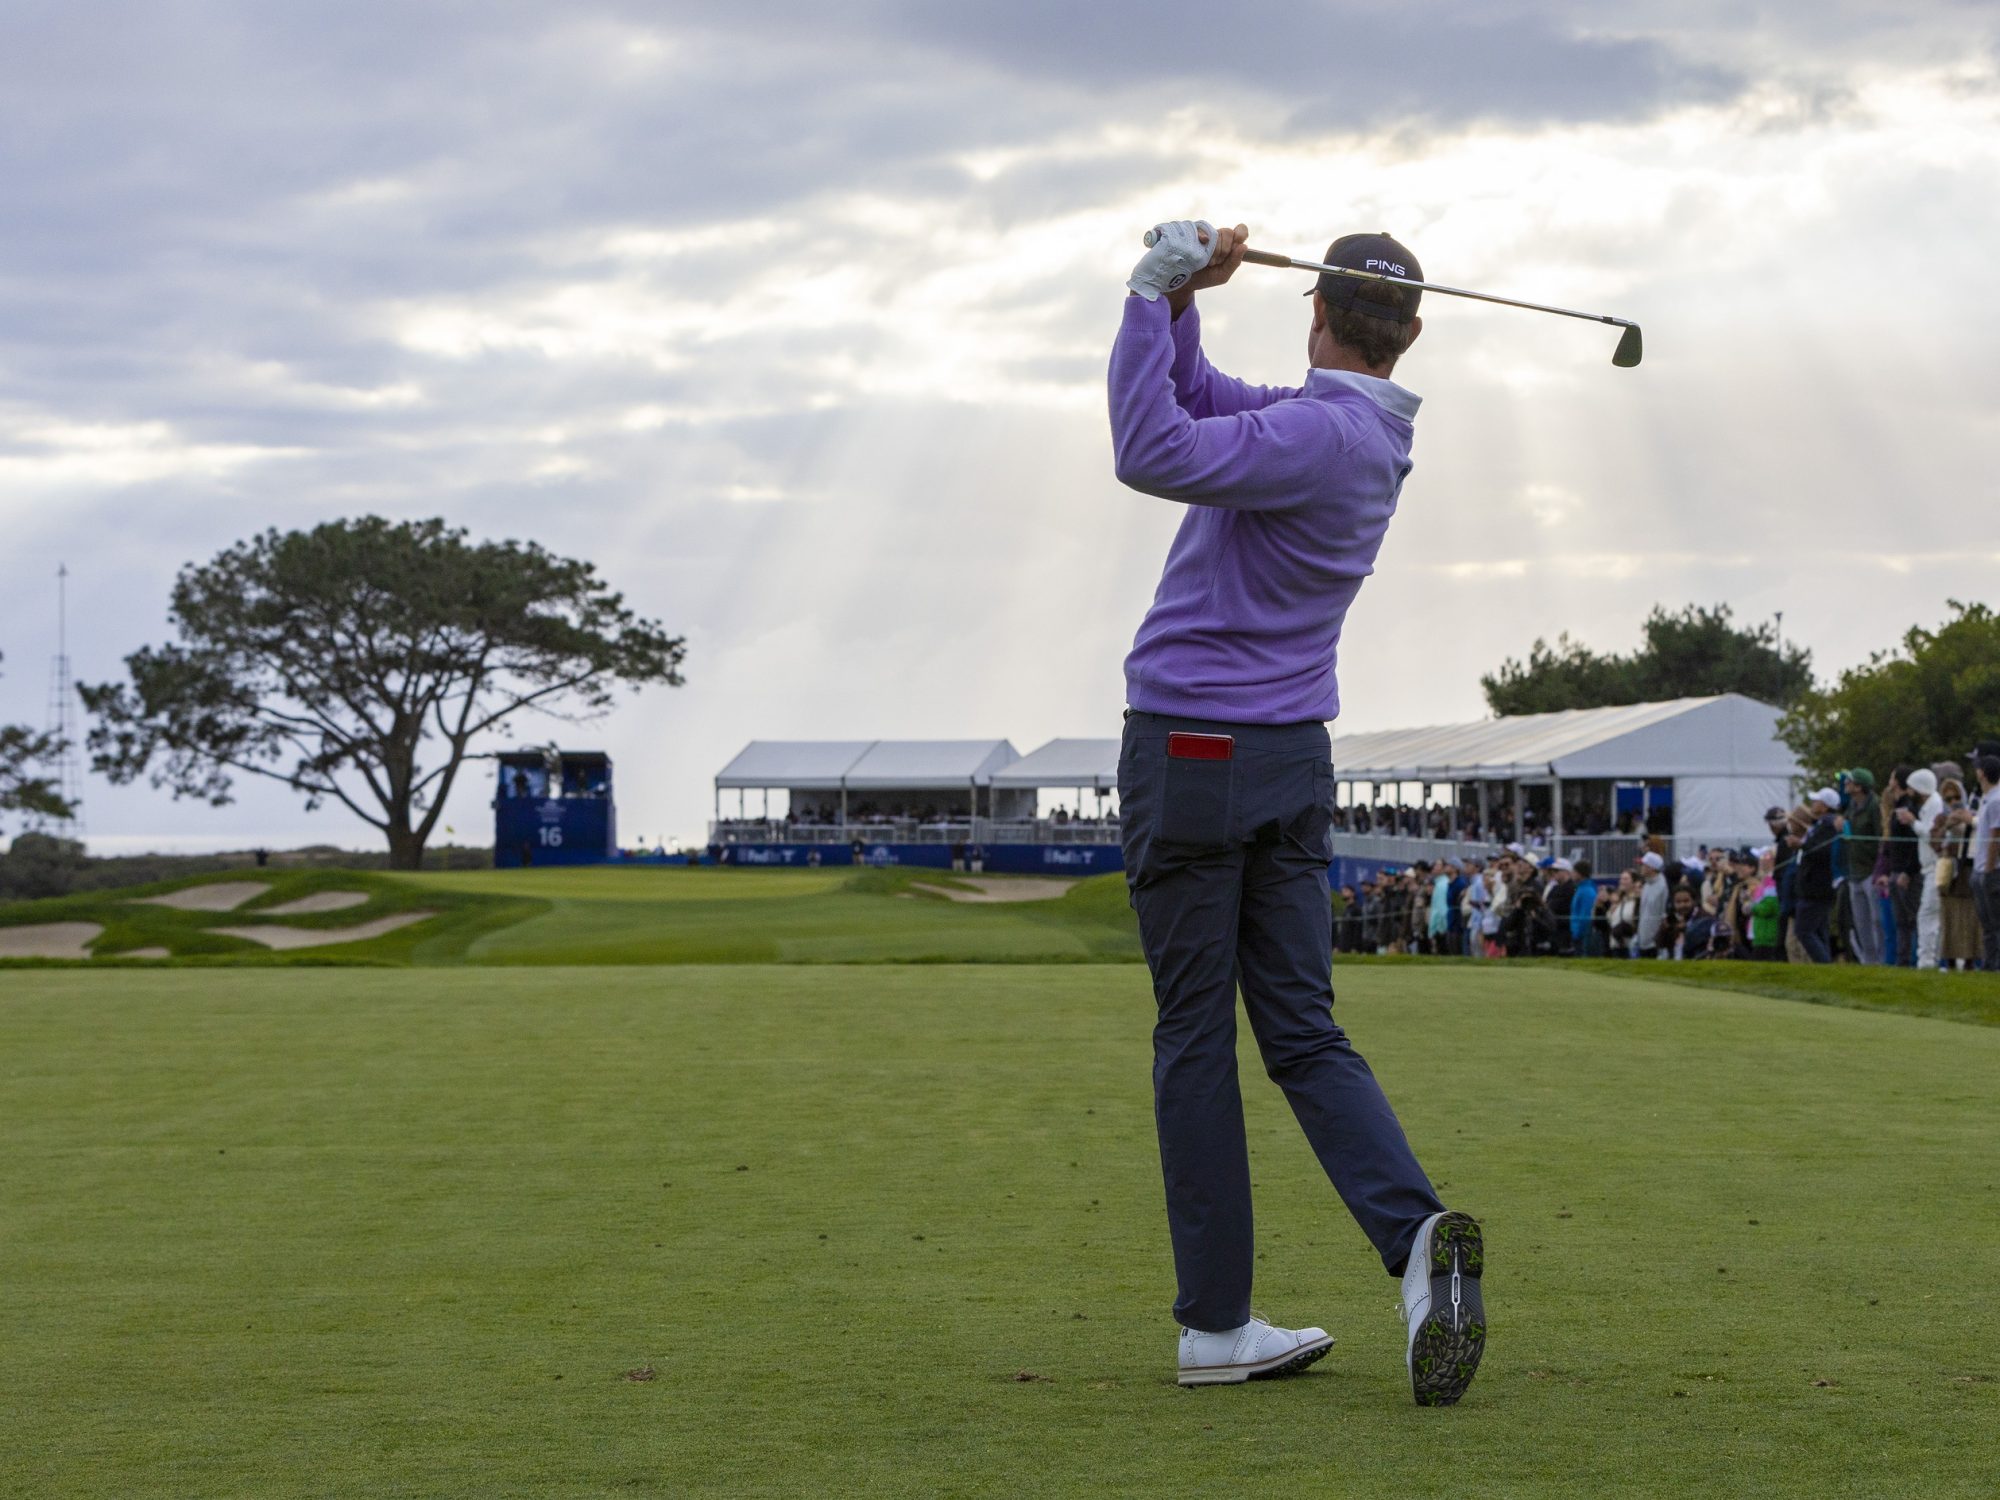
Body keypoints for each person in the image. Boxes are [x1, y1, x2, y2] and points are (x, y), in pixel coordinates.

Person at [1111, 220, 1481, 1401]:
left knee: (1191, 1037)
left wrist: (1140, 289)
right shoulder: (1359, 430)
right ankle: (1417, 1244)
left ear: (1312, 308)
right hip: (1288, 760)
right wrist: (1182, 307)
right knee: (1304, 1030)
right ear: (1408, 332)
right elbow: (1208, 395)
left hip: (1192, 750)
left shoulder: (1310, 434)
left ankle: (1214, 1326)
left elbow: (1147, 441)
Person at [1933, 779, 1981, 970]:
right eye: (1948, 798)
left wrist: (1965, 823)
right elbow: (1933, 842)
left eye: (1956, 797)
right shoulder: (1941, 818)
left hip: (1967, 870)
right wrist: (1947, 827)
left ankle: (1970, 960)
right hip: (1948, 873)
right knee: (1949, 917)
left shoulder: (1973, 815)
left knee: (1971, 917)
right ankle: (1950, 959)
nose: (1953, 801)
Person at [1795, 787, 1843, 963]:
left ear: (1824, 806)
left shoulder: (1827, 824)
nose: (1812, 804)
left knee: (1804, 931)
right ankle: (1825, 967)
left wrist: (1800, 845)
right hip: (1817, 886)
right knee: (1819, 930)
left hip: (1817, 886)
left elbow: (1821, 852)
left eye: (1816, 801)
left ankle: (1824, 964)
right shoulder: (1822, 824)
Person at [1840, 770, 1883, 964]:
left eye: (1849, 781)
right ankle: (1869, 961)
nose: (1846, 784)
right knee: (1861, 922)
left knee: (1876, 921)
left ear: (1859, 786)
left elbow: (1880, 838)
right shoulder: (1851, 805)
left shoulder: (1874, 806)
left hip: (1871, 870)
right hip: (1854, 870)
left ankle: (1882, 960)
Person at [1906, 768, 1946, 969]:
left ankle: (1927, 961)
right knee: (1930, 915)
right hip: (1928, 867)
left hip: (1937, 867)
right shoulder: (1927, 805)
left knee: (1927, 914)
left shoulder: (1935, 805)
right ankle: (1931, 960)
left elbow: (1931, 836)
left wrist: (1913, 822)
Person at [1975, 755, 2000, 971]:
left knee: (1995, 922)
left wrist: (1989, 869)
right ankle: (1989, 964)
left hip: (1991, 870)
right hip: (1981, 867)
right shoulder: (1987, 799)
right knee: (1987, 923)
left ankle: (1996, 964)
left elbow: (1996, 837)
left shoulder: (1996, 799)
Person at [1634, 851, 1669, 958]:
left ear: (1651, 868)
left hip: (1655, 943)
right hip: (1643, 939)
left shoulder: (1662, 886)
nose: (1641, 867)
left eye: (1643, 865)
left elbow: (1663, 913)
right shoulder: (1647, 885)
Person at [1568, 858, 1600, 956]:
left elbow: (1585, 916)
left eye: (1573, 871)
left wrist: (1577, 933)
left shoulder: (1586, 891)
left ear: (1580, 873)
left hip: (1582, 936)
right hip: (1577, 934)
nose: (1571, 874)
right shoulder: (1581, 889)